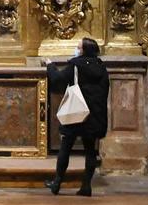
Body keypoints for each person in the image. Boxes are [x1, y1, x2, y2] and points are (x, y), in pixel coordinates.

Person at [46, 37, 110, 196]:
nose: (76, 50)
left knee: (66, 148)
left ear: (83, 51)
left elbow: (58, 79)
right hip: (94, 114)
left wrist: (50, 66)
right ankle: (86, 186)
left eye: (78, 47)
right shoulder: (102, 67)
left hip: (76, 112)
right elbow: (105, 90)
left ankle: (57, 182)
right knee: (90, 150)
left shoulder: (76, 65)